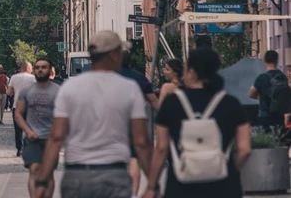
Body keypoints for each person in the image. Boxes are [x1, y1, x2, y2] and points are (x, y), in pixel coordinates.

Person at [35, 30, 154, 198]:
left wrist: (42, 180)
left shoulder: (70, 87)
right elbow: (141, 141)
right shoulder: (129, 88)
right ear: (113, 54)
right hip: (114, 173)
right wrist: (153, 184)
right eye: (120, 51)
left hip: (77, 173)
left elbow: (56, 136)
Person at [143, 48, 251, 198]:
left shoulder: (171, 103)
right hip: (225, 187)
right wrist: (227, 169)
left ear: (192, 71)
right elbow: (245, 149)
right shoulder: (231, 103)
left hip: (181, 186)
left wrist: (152, 186)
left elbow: (161, 148)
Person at [15, 58, 60, 198]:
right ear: (33, 71)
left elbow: (63, 115)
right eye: (38, 67)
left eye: (44, 67)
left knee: (48, 172)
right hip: (32, 137)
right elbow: (18, 114)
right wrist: (28, 131)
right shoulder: (26, 91)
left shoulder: (58, 91)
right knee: (34, 169)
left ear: (50, 70)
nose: (40, 70)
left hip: (50, 139)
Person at [119, 49, 159, 198]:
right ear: (130, 61)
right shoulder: (139, 77)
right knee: (134, 157)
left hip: (113, 122)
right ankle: (134, 194)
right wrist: (165, 116)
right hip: (135, 122)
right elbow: (153, 100)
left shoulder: (108, 77)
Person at [249, 50, 290, 130]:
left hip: (265, 116)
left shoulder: (261, 78)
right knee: (279, 139)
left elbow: (251, 94)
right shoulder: (283, 77)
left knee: (265, 140)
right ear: (277, 60)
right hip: (279, 117)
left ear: (264, 61)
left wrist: (260, 96)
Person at [8, 61, 36, 157]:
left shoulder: (14, 77)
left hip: (17, 106)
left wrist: (14, 92)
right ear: (28, 68)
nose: (32, 70)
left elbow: (8, 92)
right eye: (31, 68)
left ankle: (19, 148)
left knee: (18, 129)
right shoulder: (33, 78)